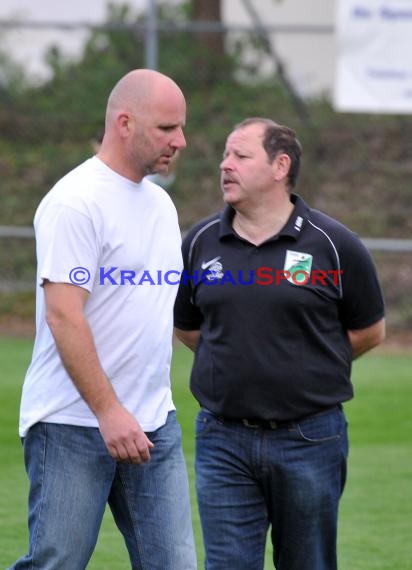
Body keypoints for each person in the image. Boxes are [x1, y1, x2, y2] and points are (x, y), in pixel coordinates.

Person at [174, 117, 385, 570]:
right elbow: (188, 326)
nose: (224, 165)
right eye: (225, 155)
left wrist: (309, 366)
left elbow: (370, 329)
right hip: (222, 440)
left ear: (280, 166)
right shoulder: (199, 243)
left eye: (240, 156)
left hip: (310, 438)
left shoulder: (335, 244)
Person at [10, 69, 197, 570]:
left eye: (180, 128)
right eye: (166, 128)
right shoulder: (75, 201)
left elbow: (159, 306)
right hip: (74, 424)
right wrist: (109, 411)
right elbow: (63, 315)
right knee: (57, 563)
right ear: (124, 123)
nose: (180, 141)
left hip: (155, 423)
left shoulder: (160, 203)